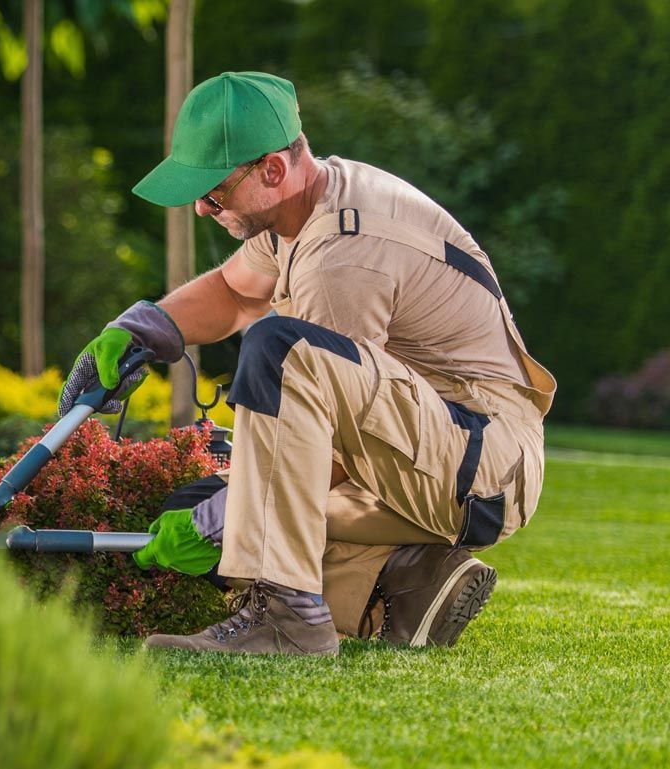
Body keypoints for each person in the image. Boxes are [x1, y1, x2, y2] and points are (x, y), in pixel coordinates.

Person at [60, 72, 556, 656]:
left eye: (214, 192)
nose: (201, 207)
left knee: (278, 356)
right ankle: (409, 583)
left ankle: (290, 617)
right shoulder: (302, 206)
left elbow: (332, 446)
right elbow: (235, 291)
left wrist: (222, 524)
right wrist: (142, 329)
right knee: (200, 503)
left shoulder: (340, 258)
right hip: (421, 450)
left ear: (272, 170)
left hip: (480, 463)